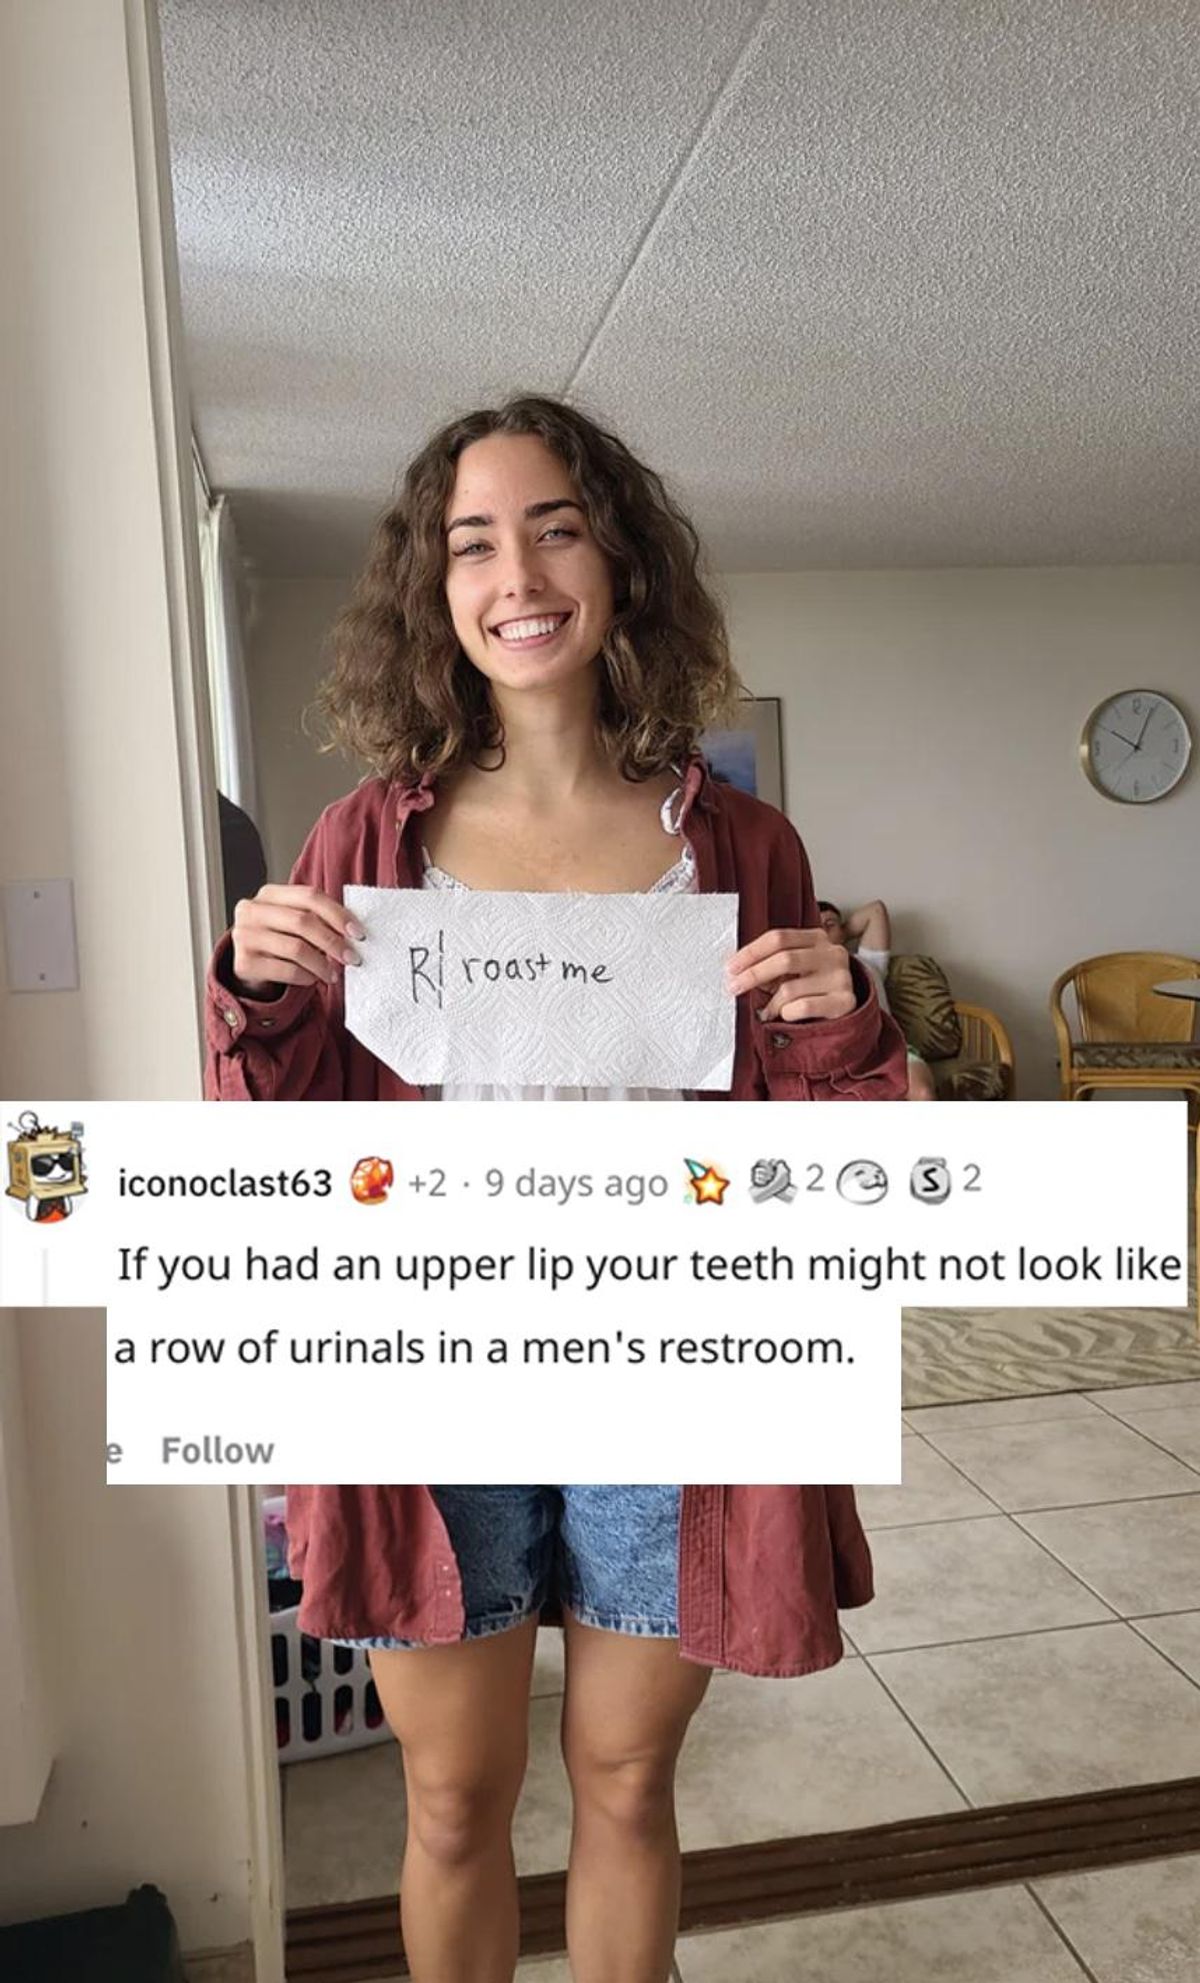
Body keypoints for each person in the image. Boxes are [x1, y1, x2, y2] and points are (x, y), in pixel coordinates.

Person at [206, 396, 907, 1983]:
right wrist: (255, 990)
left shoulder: (743, 843)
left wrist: (845, 1021)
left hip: (674, 1370)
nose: (515, 574)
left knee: (628, 1781)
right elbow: (272, 1139)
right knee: (454, 1798)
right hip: (432, 1371)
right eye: (473, 542)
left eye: (556, 528)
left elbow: (831, 1153)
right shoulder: (362, 837)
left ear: (620, 562)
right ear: (434, 587)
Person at [817, 899, 938, 1101]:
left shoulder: (867, 962)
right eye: (817, 925)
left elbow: (876, 911)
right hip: (843, 1059)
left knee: (922, 1093)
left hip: (889, 1049)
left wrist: (840, 934)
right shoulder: (806, 975)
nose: (824, 929)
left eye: (830, 924)